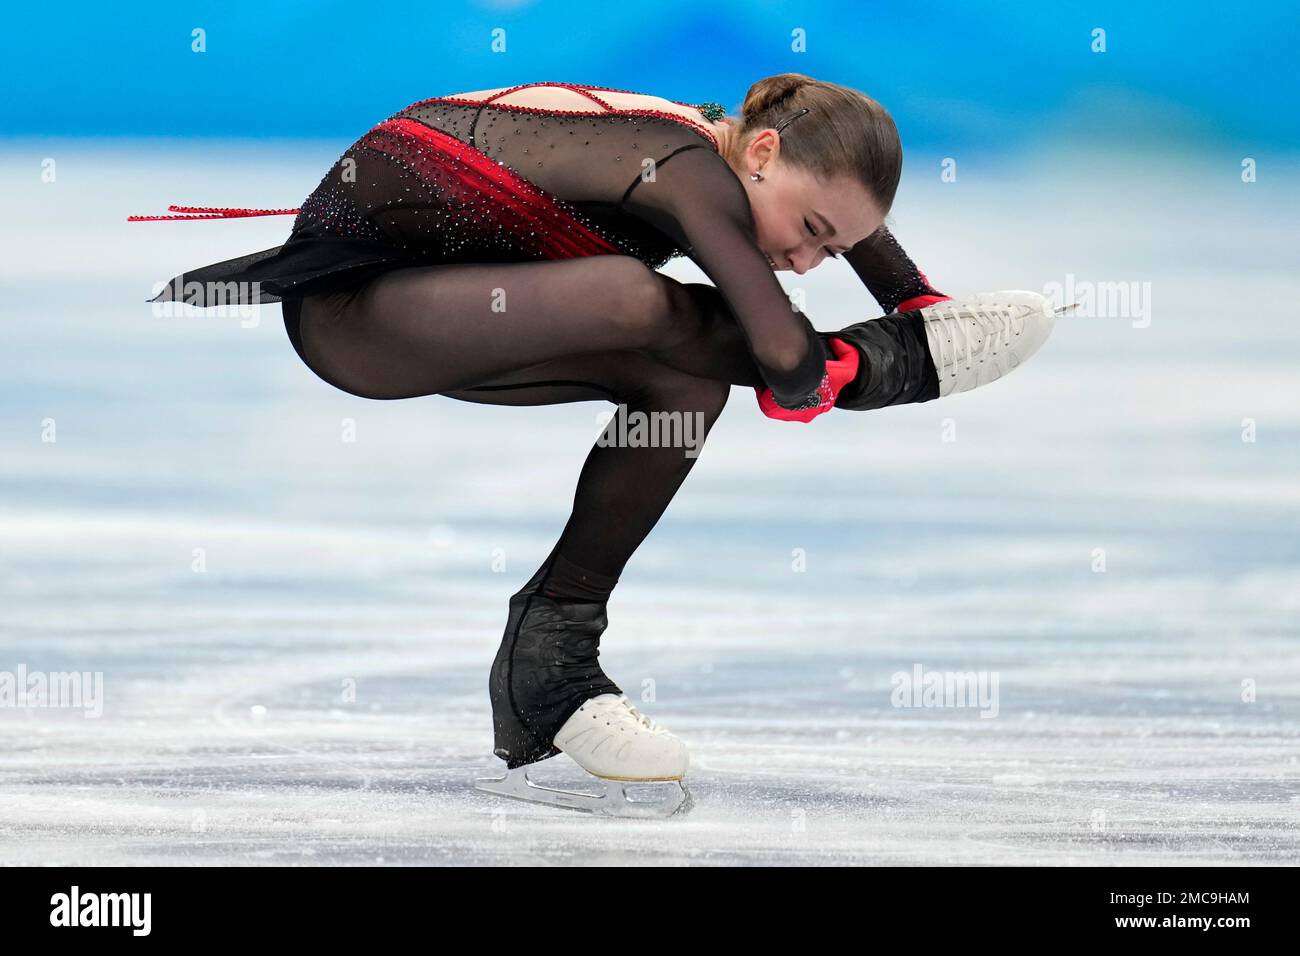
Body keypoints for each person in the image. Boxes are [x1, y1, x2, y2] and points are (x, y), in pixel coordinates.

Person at [136, 74, 1056, 817]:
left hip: (464, 303)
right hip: (361, 316)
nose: (812, 260)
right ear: (762, 153)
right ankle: (874, 366)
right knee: (641, 299)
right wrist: (870, 369)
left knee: (684, 378)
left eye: (834, 248)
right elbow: (780, 355)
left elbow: (831, 226)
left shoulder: (739, 151)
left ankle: (551, 662)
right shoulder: (686, 166)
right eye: (811, 234)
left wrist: (918, 301)